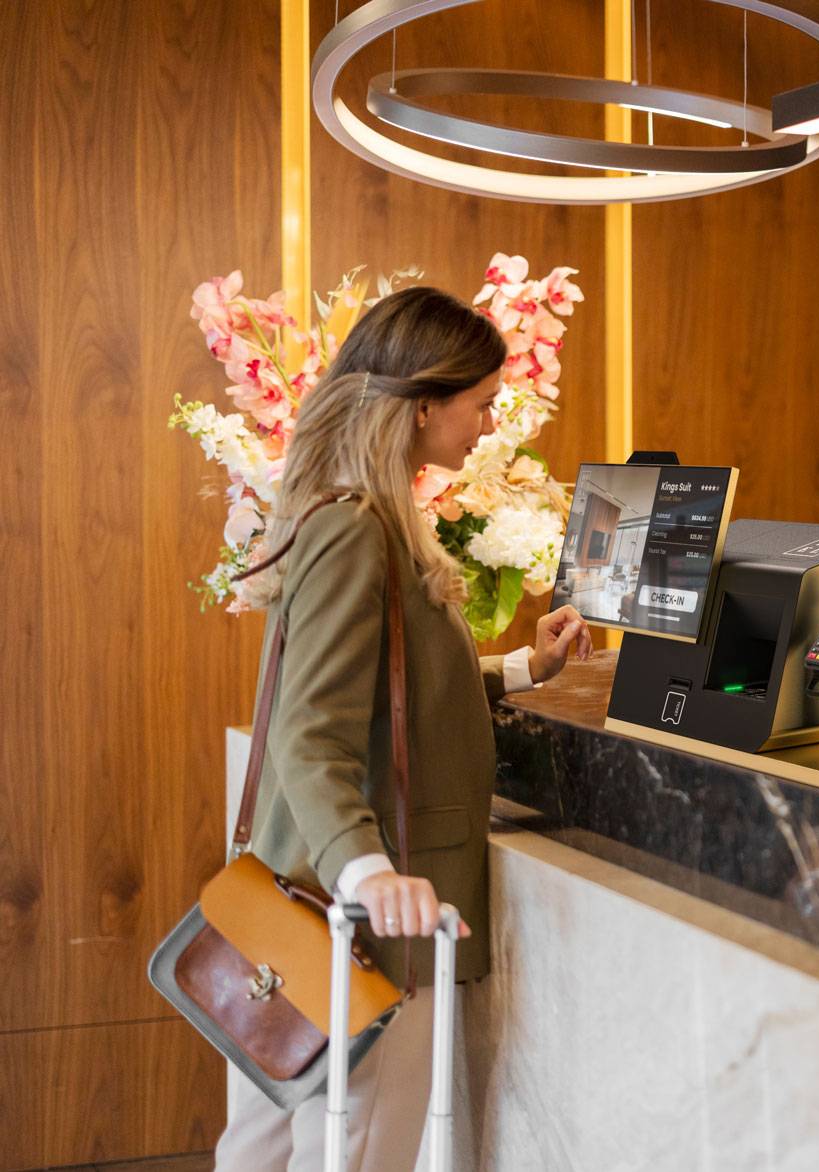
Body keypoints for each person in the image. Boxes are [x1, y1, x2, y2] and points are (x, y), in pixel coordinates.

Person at [214, 286, 593, 1170]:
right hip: (365, 920)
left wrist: (522, 668)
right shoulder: (358, 529)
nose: (488, 427)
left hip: (301, 910)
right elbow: (312, 733)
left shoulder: (348, 514)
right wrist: (371, 874)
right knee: (358, 1149)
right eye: (481, 404)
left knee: (264, 1150)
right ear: (423, 404)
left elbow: (394, 697)